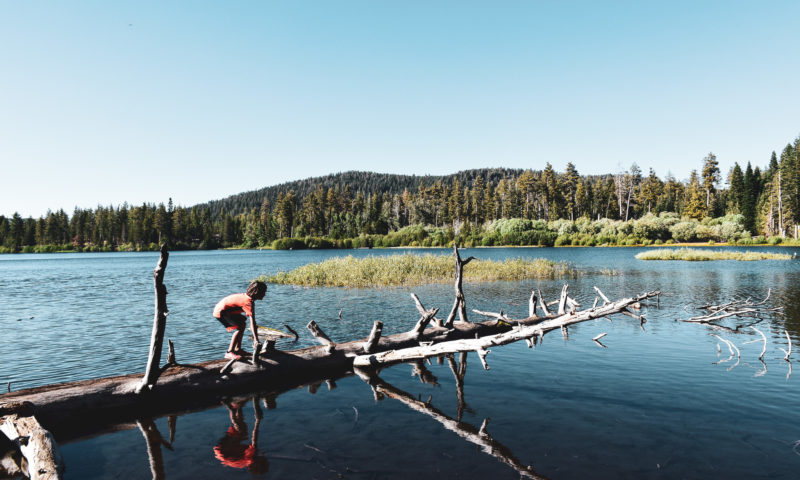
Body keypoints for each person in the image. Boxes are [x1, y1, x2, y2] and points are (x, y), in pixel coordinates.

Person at [213, 280, 266, 360]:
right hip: (221, 312)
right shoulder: (248, 302)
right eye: (264, 292)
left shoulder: (248, 299)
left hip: (225, 310)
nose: (265, 294)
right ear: (257, 292)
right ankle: (229, 352)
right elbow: (252, 323)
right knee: (240, 326)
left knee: (242, 323)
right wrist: (256, 340)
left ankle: (238, 349)